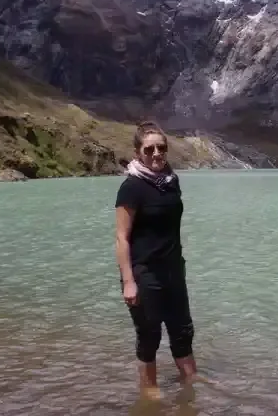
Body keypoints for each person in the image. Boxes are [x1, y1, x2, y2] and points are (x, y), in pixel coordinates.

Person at [115, 121, 198, 399]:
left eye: (161, 147)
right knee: (149, 335)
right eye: (149, 149)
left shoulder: (171, 182)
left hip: (174, 271)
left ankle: (192, 386)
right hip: (144, 273)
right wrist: (129, 281)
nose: (156, 154)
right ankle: (150, 392)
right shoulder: (131, 188)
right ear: (138, 152)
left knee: (183, 331)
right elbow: (121, 238)